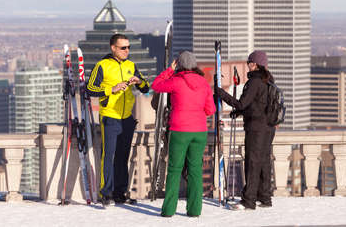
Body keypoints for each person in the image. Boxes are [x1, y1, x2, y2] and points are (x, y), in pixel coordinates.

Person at [87, 34, 150, 205]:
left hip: (127, 118)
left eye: (128, 47)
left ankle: (120, 192)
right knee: (108, 156)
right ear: (113, 48)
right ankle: (105, 193)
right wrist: (111, 89)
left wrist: (139, 81)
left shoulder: (131, 65)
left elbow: (146, 88)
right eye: (123, 48)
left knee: (123, 156)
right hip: (110, 116)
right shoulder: (102, 65)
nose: (127, 50)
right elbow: (90, 88)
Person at [152, 51, 216, 217]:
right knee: (195, 170)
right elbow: (211, 109)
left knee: (174, 169)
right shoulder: (203, 82)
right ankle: (195, 210)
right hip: (200, 131)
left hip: (179, 130)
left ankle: (168, 210)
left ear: (179, 64)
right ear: (194, 65)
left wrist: (169, 71)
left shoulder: (175, 81)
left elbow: (156, 85)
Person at [215, 50, 275, 210]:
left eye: (249, 62)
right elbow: (258, 104)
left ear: (255, 64)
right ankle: (265, 198)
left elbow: (242, 103)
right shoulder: (269, 80)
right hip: (268, 128)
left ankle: (248, 201)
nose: (248, 64)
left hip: (256, 129)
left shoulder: (255, 81)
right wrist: (240, 112)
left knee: (253, 163)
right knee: (263, 162)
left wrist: (221, 94)